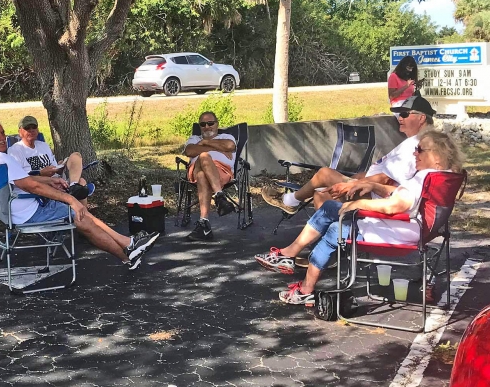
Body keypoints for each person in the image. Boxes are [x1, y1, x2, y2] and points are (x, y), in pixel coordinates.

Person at [254, 130, 464, 304]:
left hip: (396, 232)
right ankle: (290, 256)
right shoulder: (441, 176)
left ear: (437, 156)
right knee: (330, 208)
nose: (414, 153)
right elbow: (402, 196)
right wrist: (373, 186)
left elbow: (396, 205)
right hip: (408, 228)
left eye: (420, 150)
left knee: (335, 229)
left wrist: (358, 204)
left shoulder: (425, 177)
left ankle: (304, 288)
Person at [0, 119, 160, 270]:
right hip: (30, 212)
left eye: (2, 133)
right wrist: (71, 199)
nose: (2, 138)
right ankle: (128, 246)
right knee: (82, 216)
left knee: (83, 217)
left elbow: (23, 180)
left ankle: (128, 251)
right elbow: (32, 187)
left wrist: (49, 180)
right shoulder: (5, 158)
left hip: (11, 211)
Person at [261, 95, 436, 214]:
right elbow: (380, 172)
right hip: (368, 187)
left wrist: (354, 184)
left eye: (404, 114)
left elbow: (385, 179)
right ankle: (334, 245)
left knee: (325, 174)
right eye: (399, 114)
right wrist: (357, 178)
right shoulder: (413, 142)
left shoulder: (417, 147)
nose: (400, 118)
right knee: (321, 195)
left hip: (376, 194)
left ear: (421, 118)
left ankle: (289, 201)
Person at [7, 115, 94, 203]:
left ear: (37, 130)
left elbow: (55, 168)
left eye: (34, 127)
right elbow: (22, 179)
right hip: (42, 186)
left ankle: (73, 186)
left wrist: (60, 167)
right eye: (27, 128)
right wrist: (41, 173)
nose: (31, 130)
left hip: (58, 181)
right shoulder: (15, 151)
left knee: (76, 157)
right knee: (82, 185)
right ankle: (76, 201)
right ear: (20, 132)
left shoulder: (43, 145)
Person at [182, 111, 237, 242]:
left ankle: (204, 224)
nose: (207, 127)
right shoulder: (194, 139)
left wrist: (205, 142)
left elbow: (230, 146)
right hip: (195, 169)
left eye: (210, 123)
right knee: (204, 156)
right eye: (203, 124)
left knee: (202, 175)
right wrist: (218, 148)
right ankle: (219, 196)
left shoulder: (226, 136)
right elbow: (189, 151)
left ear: (217, 124)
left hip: (222, 171)